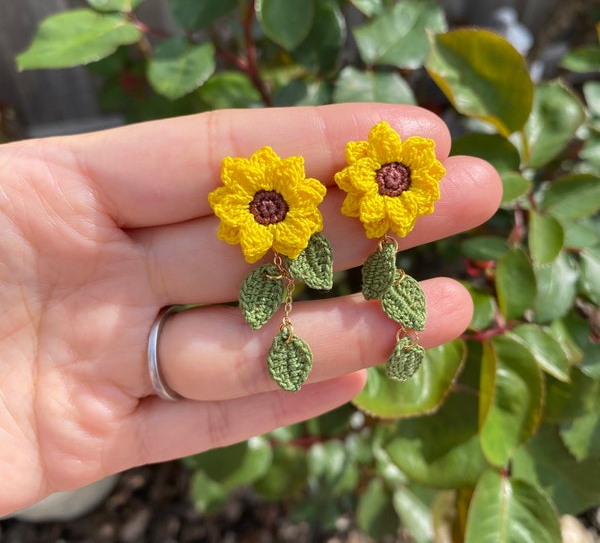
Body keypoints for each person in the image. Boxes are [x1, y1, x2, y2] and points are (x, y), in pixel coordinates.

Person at [0, 103, 502, 516]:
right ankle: (345, 321)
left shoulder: (368, 192)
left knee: (371, 287)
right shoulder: (257, 209)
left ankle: (395, 315)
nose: (394, 178)